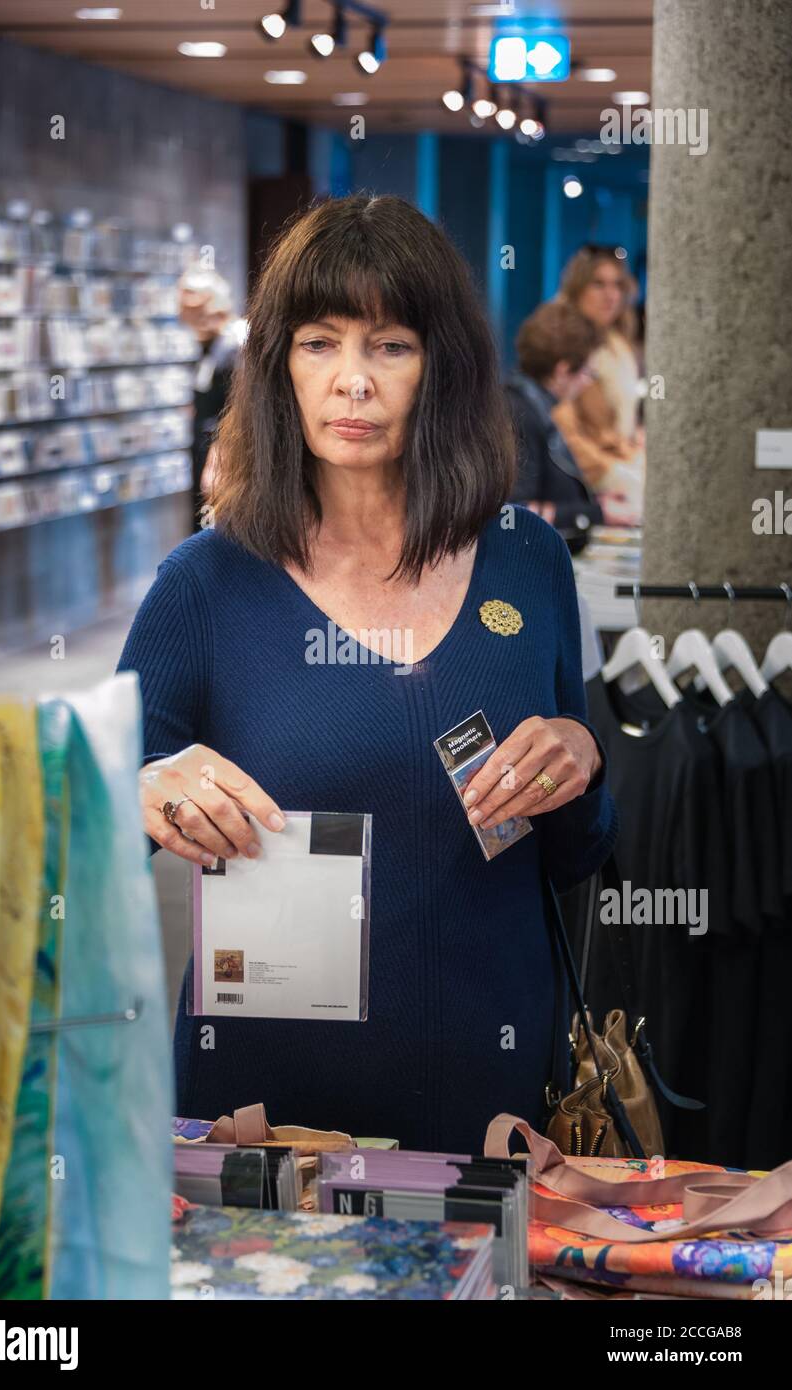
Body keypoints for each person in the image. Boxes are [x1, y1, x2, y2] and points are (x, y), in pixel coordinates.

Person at [118, 194, 617, 1153]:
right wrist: (140, 784)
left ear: (442, 367)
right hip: (267, 1121)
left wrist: (581, 758)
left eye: (389, 346)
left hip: (490, 1097)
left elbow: (574, 856)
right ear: (280, 366)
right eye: (319, 343)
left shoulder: (525, 560)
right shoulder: (206, 584)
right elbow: (84, 830)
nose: (352, 382)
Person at [505, 301, 604, 553]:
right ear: (562, 370)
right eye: (586, 373)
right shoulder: (520, 412)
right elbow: (514, 513)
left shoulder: (529, 404)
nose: (586, 384)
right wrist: (597, 513)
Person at [554, 244, 644, 514]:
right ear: (578, 289)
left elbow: (624, 420)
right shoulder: (563, 343)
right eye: (599, 285)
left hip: (624, 466)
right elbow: (562, 431)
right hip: (588, 486)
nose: (611, 295)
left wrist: (636, 444)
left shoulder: (618, 344)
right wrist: (615, 472)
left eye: (617, 285)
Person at [176, 268, 245, 530]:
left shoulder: (237, 341)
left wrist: (220, 456)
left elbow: (242, 408)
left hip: (225, 452)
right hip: (204, 446)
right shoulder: (209, 343)